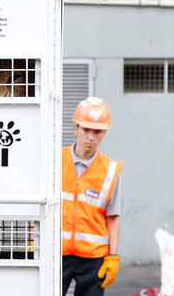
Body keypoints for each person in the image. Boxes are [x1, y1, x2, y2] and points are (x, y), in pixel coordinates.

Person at [62, 97, 123, 296]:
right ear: (75, 128)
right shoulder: (55, 162)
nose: (91, 137)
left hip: (94, 258)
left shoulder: (111, 170)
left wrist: (112, 257)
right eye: (86, 129)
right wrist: (33, 244)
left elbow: (113, 217)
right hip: (57, 253)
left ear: (104, 133)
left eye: (97, 131)